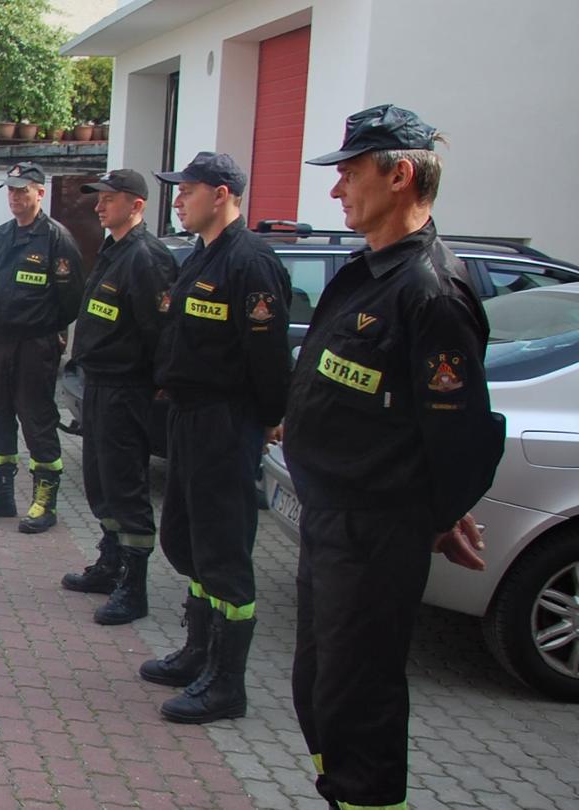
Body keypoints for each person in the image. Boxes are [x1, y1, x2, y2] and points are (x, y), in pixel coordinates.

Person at [287, 105, 502, 810]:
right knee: (320, 688)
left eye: (349, 173)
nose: (336, 190)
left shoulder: (430, 292)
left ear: (400, 174)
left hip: (375, 531)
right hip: (333, 521)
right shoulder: (371, 272)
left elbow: (460, 435)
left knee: (360, 704)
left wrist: (434, 516)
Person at [139, 152, 289, 724]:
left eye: (188, 191)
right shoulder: (201, 256)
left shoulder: (251, 262)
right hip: (189, 417)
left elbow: (268, 356)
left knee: (224, 548)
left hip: (226, 422)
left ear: (222, 194)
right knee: (190, 539)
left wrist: (269, 416)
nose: (178, 200)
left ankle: (226, 684)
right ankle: (198, 654)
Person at [60, 169, 176, 625]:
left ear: (136, 205)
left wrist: (154, 384)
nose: (99, 206)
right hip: (99, 386)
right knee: (100, 483)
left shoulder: (147, 258)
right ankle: (110, 563)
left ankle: (134, 586)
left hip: (127, 390)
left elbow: (161, 332)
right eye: (99, 198)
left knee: (126, 489)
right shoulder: (114, 251)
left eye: (109, 198)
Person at [0, 162, 84, 533]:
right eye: (11, 190)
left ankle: (44, 502)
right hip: (0, 341)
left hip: (36, 343)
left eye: (22, 190)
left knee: (36, 418)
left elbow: (71, 298)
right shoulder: (2, 235)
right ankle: (1, 493)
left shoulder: (57, 239)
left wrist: (47, 328)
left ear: (40, 193)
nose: (15, 196)